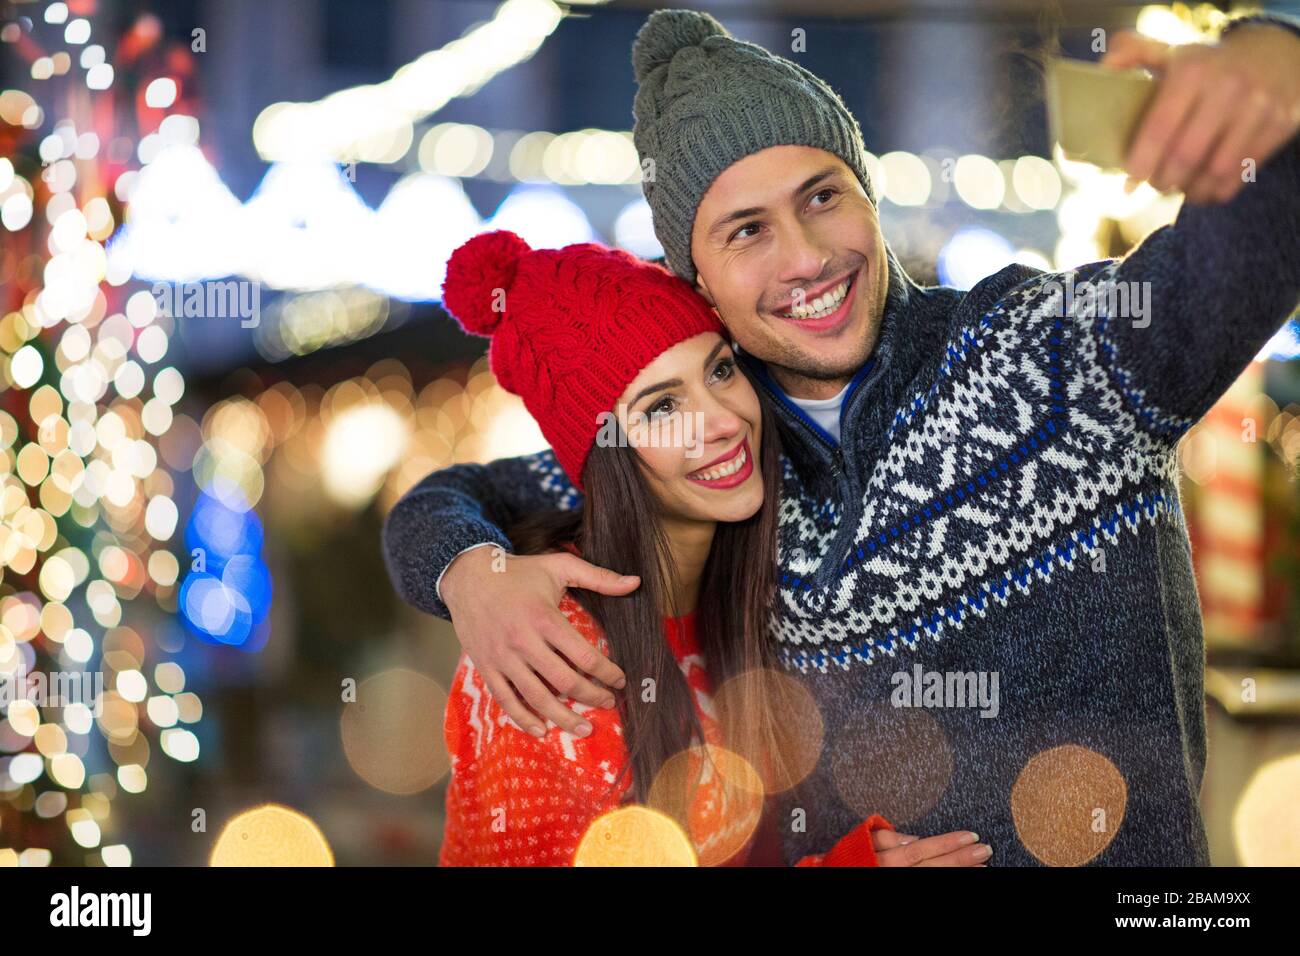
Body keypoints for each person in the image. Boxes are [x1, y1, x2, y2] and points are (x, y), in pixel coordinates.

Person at [386, 10, 1300, 866]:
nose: (807, 257)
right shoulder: (721, 449)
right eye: (747, 230)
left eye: (823, 197)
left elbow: (1272, 230)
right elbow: (455, 497)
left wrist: (1275, 54)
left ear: (866, 194)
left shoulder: (1060, 358)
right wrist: (469, 573)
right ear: (694, 279)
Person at [434, 230, 990, 867]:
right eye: (664, 406)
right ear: (604, 455)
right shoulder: (553, 653)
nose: (723, 421)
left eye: (720, 370)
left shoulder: (751, 580)